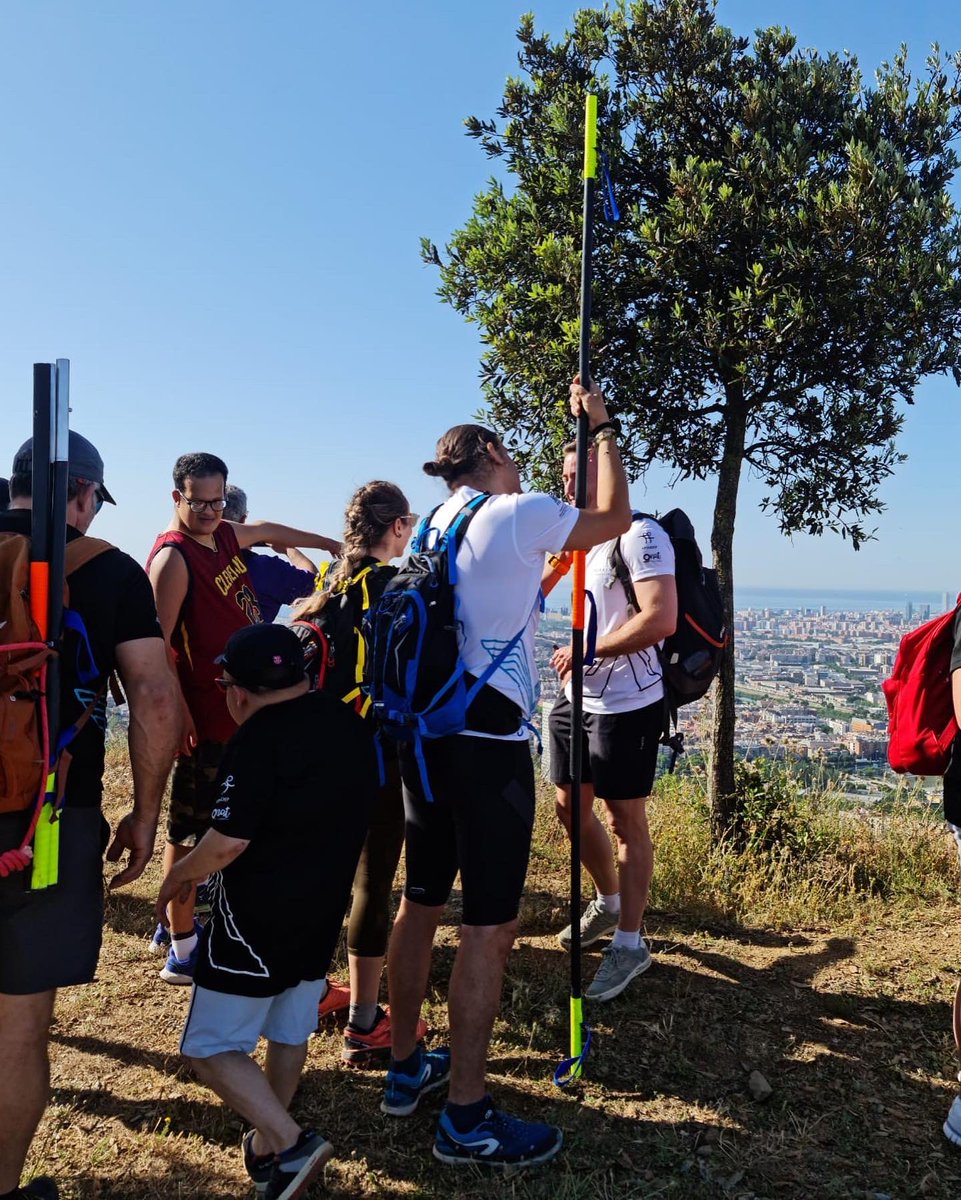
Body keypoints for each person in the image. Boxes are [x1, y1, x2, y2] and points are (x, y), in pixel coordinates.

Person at [381, 379, 630, 1168]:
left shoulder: (433, 521)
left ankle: (402, 1068)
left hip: (425, 740)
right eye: (510, 451)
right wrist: (602, 429)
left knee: (421, 900)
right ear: (490, 454)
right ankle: (465, 1114)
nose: (519, 463)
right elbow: (614, 520)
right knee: (489, 924)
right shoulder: (512, 513)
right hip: (486, 742)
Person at [1, 433, 179, 1200]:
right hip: (44, 822)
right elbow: (154, 696)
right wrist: (145, 814)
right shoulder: (105, 569)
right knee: (18, 1026)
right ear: (81, 493)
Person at [156, 623, 374, 1199]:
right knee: (288, 1026)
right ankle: (271, 1149)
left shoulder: (255, 741)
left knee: (206, 1046)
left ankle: (290, 1139)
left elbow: (228, 840)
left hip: (254, 921)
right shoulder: (347, 723)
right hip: (322, 912)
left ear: (239, 692)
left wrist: (179, 874)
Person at [146, 452, 341, 985]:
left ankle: (218, 929)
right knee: (190, 832)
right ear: (176, 498)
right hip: (208, 718)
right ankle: (182, 946)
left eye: (217, 500)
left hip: (247, 714)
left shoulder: (223, 535)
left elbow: (268, 528)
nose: (210, 511)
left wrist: (327, 545)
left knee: (240, 824)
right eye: (198, 502)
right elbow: (158, 646)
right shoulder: (173, 559)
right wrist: (182, 709)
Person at [290, 481, 426, 1065]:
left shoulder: (330, 584)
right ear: (396, 526)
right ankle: (365, 1022)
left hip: (317, 753)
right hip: (376, 755)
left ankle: (307, 996)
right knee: (372, 884)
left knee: (320, 877)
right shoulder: (398, 586)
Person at [546, 441, 677, 1002]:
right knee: (568, 805)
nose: (571, 486)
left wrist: (591, 649)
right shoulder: (576, 538)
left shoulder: (640, 535)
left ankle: (630, 943)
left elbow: (661, 617)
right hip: (577, 696)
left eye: (583, 474)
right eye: (566, 474)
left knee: (626, 820)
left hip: (628, 700)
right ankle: (609, 901)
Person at [223, 484, 318, 623]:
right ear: (243, 520)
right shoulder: (267, 569)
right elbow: (313, 585)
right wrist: (288, 549)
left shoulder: (193, 557)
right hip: (251, 644)